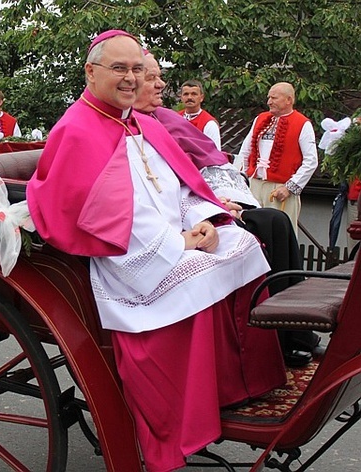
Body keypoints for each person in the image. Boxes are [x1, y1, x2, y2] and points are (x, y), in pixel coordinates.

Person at [26, 30, 286, 472]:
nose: (131, 79)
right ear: (92, 72)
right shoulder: (77, 128)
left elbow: (181, 184)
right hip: (124, 258)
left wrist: (202, 220)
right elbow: (95, 212)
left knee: (242, 244)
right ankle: (185, 415)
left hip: (173, 236)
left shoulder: (142, 122)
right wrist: (176, 242)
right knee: (199, 271)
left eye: (137, 70)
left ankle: (237, 387)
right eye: (120, 69)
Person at [136, 52, 320, 367]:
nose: (162, 85)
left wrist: (224, 200)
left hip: (209, 199)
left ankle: (290, 332)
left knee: (276, 221)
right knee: (254, 231)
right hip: (173, 215)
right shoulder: (136, 122)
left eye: (159, 77)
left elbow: (209, 163)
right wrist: (211, 208)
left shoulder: (165, 118)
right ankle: (263, 343)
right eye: (152, 78)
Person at [234, 82, 318, 233]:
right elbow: (245, 152)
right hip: (254, 185)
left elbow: (311, 161)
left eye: (274, 98)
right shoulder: (260, 119)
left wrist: (290, 187)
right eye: (268, 97)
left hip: (280, 189)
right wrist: (241, 181)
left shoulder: (302, 124)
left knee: (280, 235)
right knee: (250, 232)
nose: (269, 102)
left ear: (289, 100)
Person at [178, 79, 222, 150]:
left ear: (201, 98)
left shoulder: (209, 124)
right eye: (186, 94)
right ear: (181, 98)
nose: (189, 97)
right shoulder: (175, 118)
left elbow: (215, 154)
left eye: (194, 94)